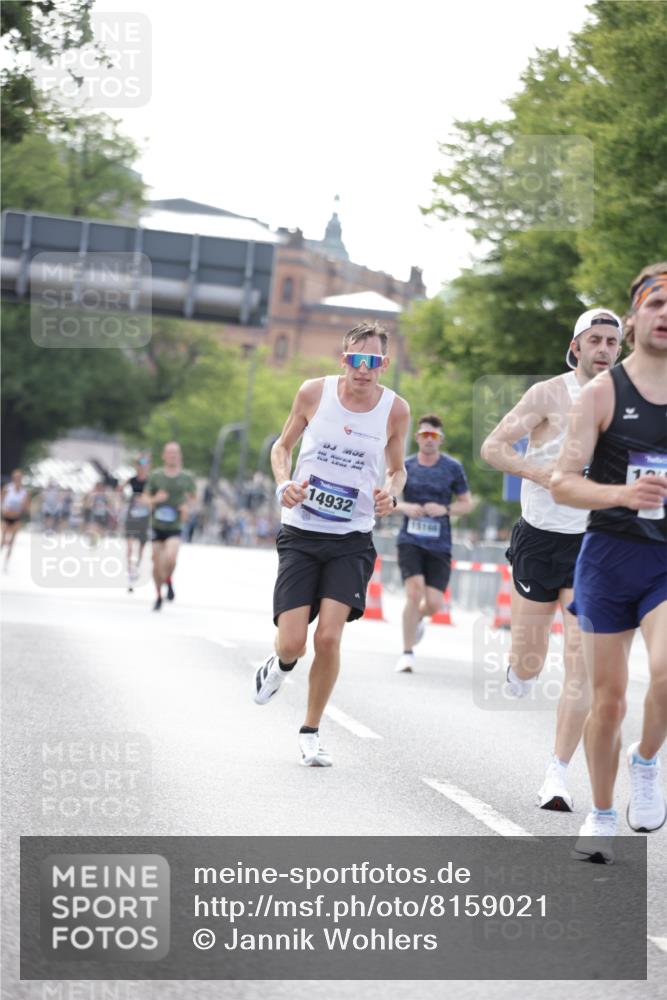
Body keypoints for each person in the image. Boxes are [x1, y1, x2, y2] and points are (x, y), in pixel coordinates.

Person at [481, 308, 623, 811]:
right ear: (576, 346)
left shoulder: (634, 403)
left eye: (613, 341)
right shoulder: (547, 394)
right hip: (541, 538)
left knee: (580, 663)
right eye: (596, 340)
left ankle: (557, 775)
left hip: (596, 544)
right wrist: (542, 475)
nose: (604, 348)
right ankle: (518, 673)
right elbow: (493, 448)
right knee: (530, 658)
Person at [253, 321, 410, 766]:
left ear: (384, 364)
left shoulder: (395, 410)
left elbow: (397, 469)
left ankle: (310, 730)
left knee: (328, 638)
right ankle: (279, 667)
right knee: (293, 644)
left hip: (351, 538)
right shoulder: (312, 393)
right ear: (344, 359)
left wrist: (391, 493)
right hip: (301, 533)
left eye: (374, 361)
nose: (365, 369)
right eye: (357, 360)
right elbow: (281, 447)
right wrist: (284, 483)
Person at [551, 263, 667, 863]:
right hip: (608, 558)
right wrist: (622, 494)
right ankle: (599, 813)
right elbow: (563, 483)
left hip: (665, 560)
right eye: (656, 302)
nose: (666, 313)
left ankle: (646, 760)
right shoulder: (602, 393)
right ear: (635, 316)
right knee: (609, 700)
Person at [394, 414, 473, 673]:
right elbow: (387, 500)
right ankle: (407, 653)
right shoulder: (404, 466)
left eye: (434, 436)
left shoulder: (452, 467)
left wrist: (445, 509)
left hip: (440, 543)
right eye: (425, 435)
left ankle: (416, 618)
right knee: (414, 591)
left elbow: (467, 503)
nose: (429, 440)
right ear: (417, 438)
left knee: (434, 604)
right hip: (410, 540)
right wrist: (405, 506)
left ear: (441, 440)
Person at [144, 442, 196, 612]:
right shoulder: (156, 476)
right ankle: (159, 594)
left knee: (171, 558)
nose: (172, 456)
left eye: (175, 453)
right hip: (157, 525)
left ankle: (168, 579)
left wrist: (186, 506)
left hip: (175, 525)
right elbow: (144, 498)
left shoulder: (186, 477)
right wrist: (155, 499)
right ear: (163, 456)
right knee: (157, 563)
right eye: (169, 453)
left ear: (179, 456)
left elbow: (194, 499)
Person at [119, 456, 151, 593]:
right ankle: (130, 570)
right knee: (130, 545)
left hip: (144, 516)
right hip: (132, 515)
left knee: (141, 547)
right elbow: (119, 488)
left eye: (143, 465)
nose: (141, 468)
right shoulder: (132, 480)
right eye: (139, 465)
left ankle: (136, 566)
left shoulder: (150, 481)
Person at [1, 469, 30, 570]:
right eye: (16, 478)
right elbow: (1, 499)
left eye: (20, 478)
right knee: (3, 540)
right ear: (13, 478)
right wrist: (4, 509)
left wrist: (22, 507)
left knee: (12, 542)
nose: (18, 480)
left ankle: (6, 563)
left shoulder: (24, 492)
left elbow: (26, 507)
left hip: (16, 517)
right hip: (6, 516)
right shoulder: (7, 488)